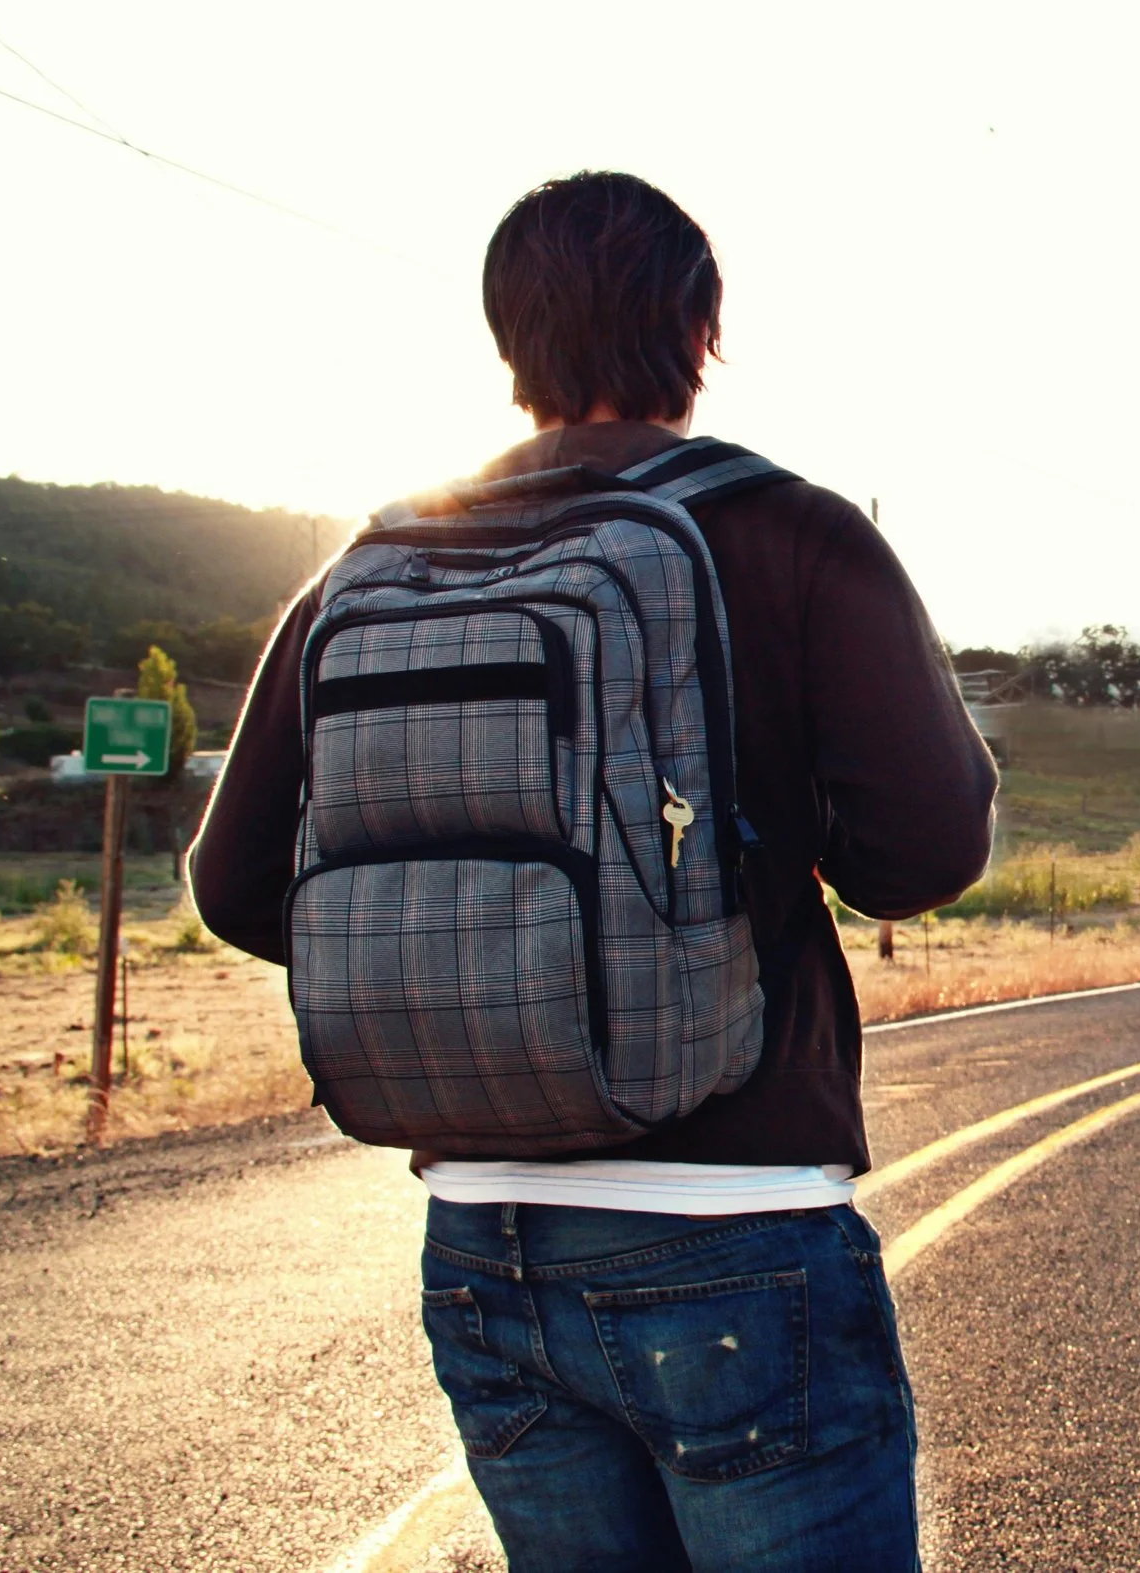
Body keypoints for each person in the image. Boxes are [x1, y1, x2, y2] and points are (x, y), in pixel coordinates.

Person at [191, 170, 996, 1572]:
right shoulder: (794, 531)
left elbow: (237, 881)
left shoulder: (375, 560)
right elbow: (926, 851)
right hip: (735, 1222)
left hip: (481, 1239)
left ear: (509, 341)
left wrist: (469, 966)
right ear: (700, 330)